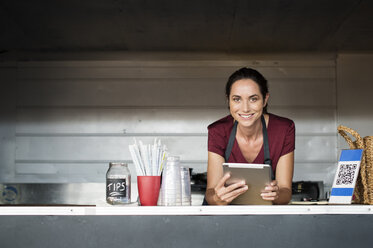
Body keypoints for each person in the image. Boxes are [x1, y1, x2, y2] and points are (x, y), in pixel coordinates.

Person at [205, 67, 295, 205]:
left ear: (265, 100)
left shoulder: (284, 129)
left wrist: (276, 195)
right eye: (237, 99)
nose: (245, 108)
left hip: (267, 218)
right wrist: (217, 198)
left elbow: (285, 192)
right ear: (228, 100)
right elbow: (210, 192)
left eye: (253, 99)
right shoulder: (218, 131)